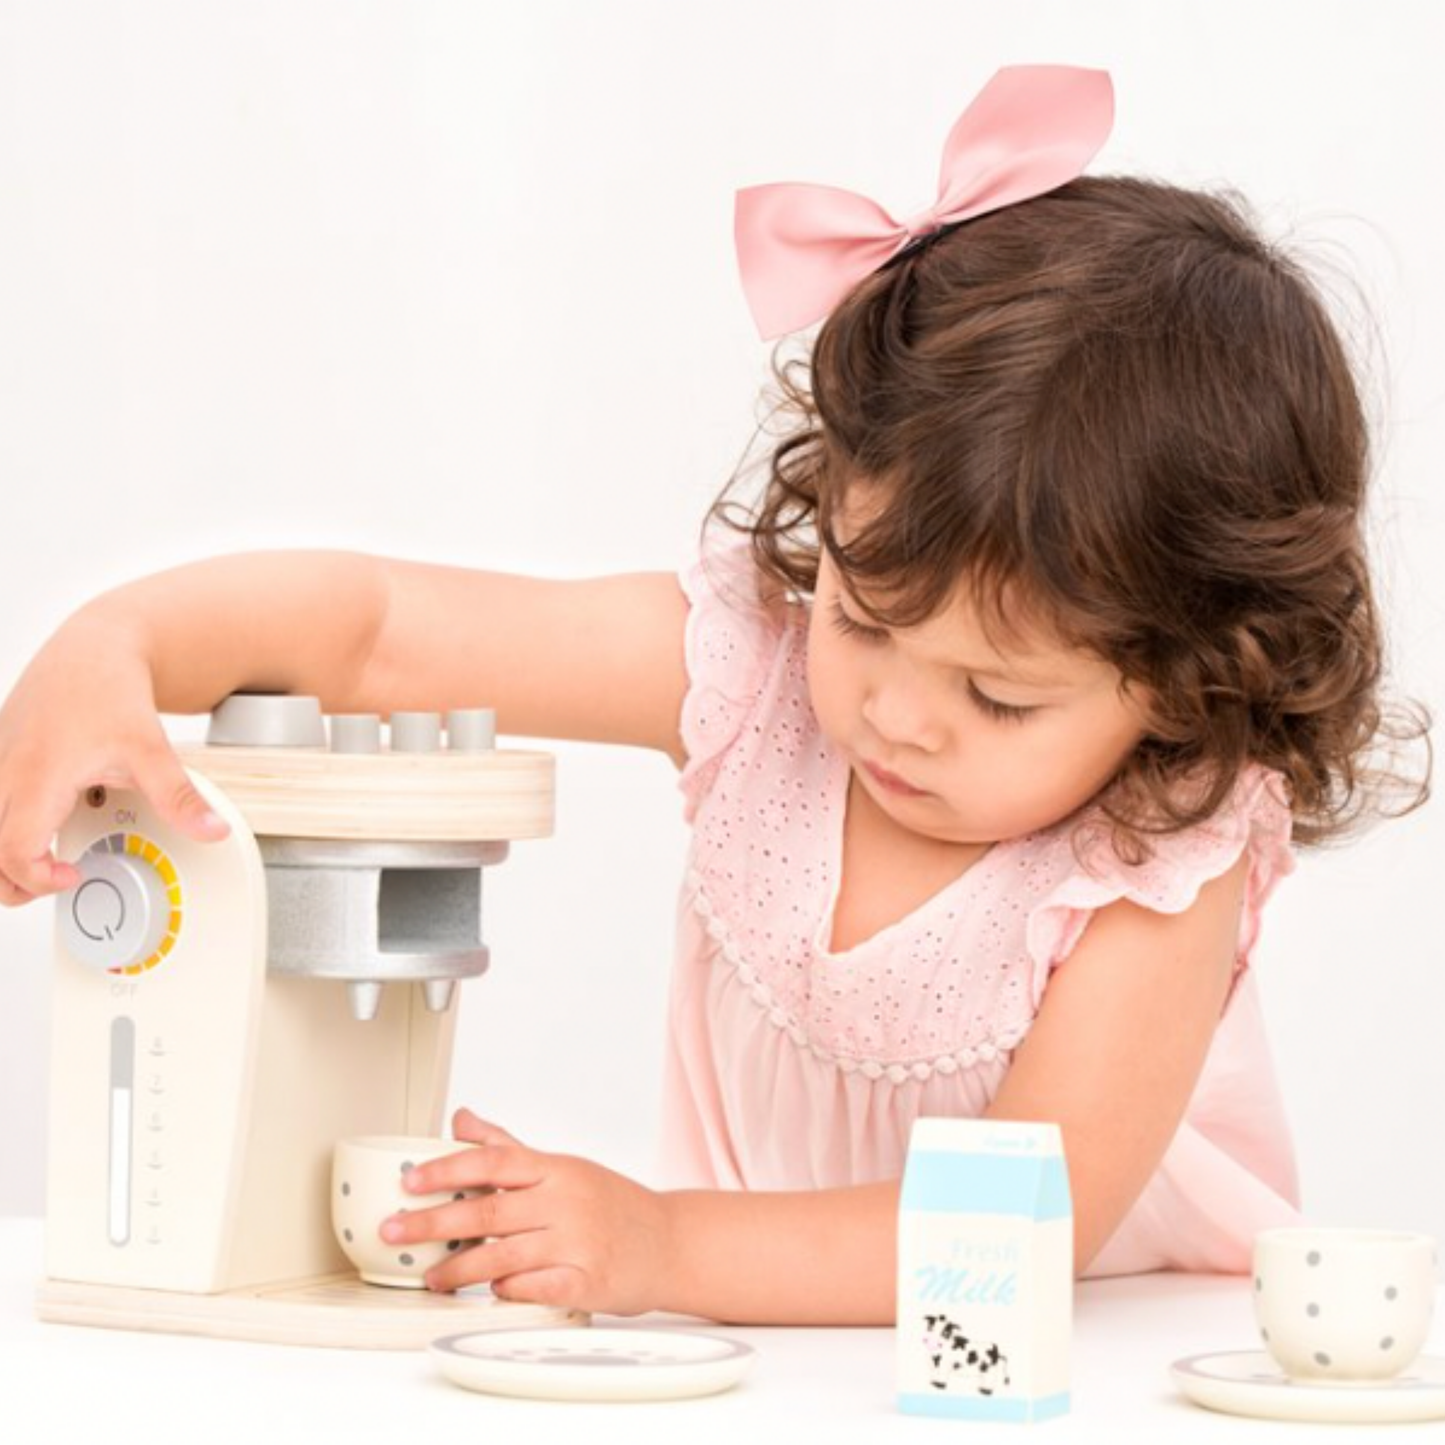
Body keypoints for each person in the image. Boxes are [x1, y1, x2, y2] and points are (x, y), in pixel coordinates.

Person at [0, 67, 1429, 1326]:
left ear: (1189, 689)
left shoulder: (1144, 864)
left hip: (1090, 1379)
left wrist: (661, 1241)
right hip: (779, 1364)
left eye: (999, 699)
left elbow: (1016, 1234)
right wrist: (118, 639)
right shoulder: (758, 677)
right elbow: (383, 632)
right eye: (867, 615)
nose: (899, 717)